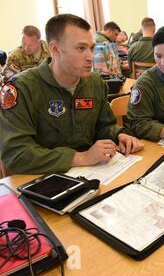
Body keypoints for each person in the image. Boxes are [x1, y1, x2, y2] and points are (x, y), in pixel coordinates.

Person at [0, 14, 144, 174]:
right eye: (81, 48)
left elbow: (103, 125)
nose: (91, 57)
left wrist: (119, 135)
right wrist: (81, 157)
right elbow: (16, 154)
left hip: (93, 174)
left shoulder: (94, 83)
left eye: (91, 48)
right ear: (55, 49)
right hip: (42, 180)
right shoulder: (22, 88)